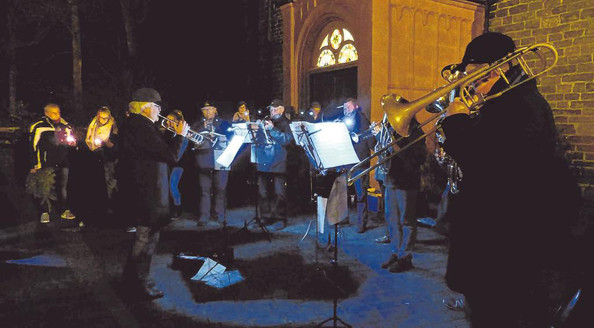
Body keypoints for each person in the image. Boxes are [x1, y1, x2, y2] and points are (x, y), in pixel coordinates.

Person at [440, 32, 582, 326]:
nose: (467, 84)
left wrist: (456, 122)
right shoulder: (508, 102)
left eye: (472, 76)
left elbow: (488, 165)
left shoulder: (517, 106)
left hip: (501, 251)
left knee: (494, 315)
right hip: (499, 245)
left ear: (496, 69)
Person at [119, 88, 189, 299]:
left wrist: (168, 133)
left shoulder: (139, 127)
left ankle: (135, 279)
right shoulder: (141, 127)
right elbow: (170, 156)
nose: (160, 111)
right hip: (146, 192)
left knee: (147, 237)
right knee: (145, 238)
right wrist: (180, 136)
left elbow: (155, 150)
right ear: (147, 107)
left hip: (145, 191)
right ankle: (138, 283)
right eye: (157, 107)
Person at [378, 116, 426, 273]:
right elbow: (381, 151)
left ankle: (405, 257)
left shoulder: (415, 132)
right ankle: (396, 252)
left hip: (407, 182)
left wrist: (397, 148)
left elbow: (418, 159)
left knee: (406, 221)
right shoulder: (393, 130)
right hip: (391, 179)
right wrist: (378, 137)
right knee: (391, 219)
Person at [29, 103, 77, 223]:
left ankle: (64, 210)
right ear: (46, 113)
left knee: (62, 187)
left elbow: (72, 139)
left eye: (58, 112)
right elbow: (33, 146)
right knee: (44, 187)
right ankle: (44, 212)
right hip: (46, 162)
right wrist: (34, 164)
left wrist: (72, 143)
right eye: (54, 113)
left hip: (63, 161)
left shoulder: (65, 125)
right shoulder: (39, 126)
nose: (57, 115)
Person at [190, 102, 232, 227]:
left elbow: (231, 137)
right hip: (204, 159)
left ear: (215, 110)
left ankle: (220, 215)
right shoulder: (197, 124)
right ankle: (204, 216)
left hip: (221, 158)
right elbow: (191, 138)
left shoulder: (224, 123)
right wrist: (203, 130)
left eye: (210, 109)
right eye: (205, 110)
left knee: (221, 189)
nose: (207, 112)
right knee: (204, 190)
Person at [253, 99, 293, 230]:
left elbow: (287, 140)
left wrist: (272, 129)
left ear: (282, 110)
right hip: (264, 160)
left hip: (278, 162)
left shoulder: (286, 123)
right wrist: (255, 129)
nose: (272, 111)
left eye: (275, 109)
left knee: (279, 192)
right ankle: (265, 217)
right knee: (262, 192)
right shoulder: (266, 120)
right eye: (271, 109)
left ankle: (280, 218)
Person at [340, 97, 375, 233]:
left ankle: (362, 223)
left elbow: (370, 141)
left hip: (360, 161)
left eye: (348, 107)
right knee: (344, 192)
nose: (346, 110)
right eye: (344, 107)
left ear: (355, 107)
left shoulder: (363, 120)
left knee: (360, 194)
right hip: (346, 160)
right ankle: (344, 217)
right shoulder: (344, 120)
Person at [85, 106, 118, 207]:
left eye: (106, 118)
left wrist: (108, 143)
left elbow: (116, 143)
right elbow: (88, 139)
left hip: (110, 157)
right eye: (101, 117)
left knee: (110, 179)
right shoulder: (93, 124)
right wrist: (92, 145)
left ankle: (110, 201)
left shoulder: (113, 126)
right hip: (96, 155)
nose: (104, 120)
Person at [159, 109, 187, 219]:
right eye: (168, 120)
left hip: (179, 163)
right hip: (168, 162)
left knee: (172, 185)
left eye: (172, 120)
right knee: (167, 186)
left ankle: (177, 208)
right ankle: (170, 209)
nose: (169, 122)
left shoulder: (183, 132)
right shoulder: (166, 132)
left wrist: (178, 133)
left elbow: (181, 149)